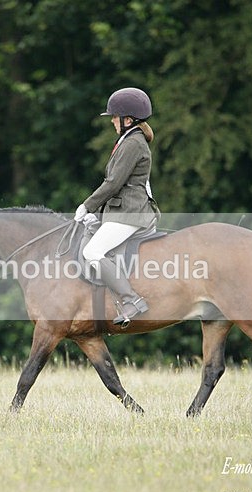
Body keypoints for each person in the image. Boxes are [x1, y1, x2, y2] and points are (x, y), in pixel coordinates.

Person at [74, 87, 159, 327]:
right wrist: (100, 215)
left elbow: (113, 183)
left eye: (114, 117)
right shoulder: (128, 140)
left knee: (92, 252)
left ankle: (132, 300)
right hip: (122, 211)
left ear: (128, 120)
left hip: (131, 213)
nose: (112, 120)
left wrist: (88, 206)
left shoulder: (133, 143)